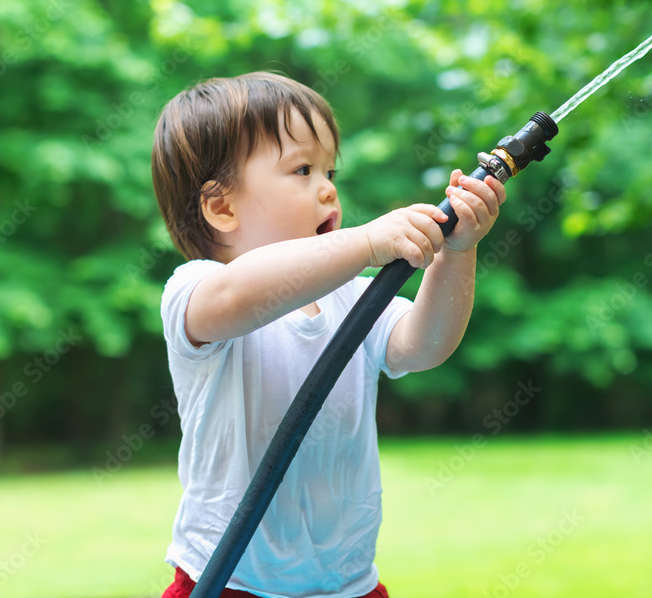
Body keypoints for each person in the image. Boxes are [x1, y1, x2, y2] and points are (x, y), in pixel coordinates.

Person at [151, 71, 506, 598]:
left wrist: (457, 253)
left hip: (345, 583)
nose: (328, 188)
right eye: (302, 169)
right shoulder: (197, 290)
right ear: (222, 207)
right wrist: (367, 242)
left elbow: (424, 344)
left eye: (329, 169)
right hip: (231, 580)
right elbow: (242, 296)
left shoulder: (354, 297)